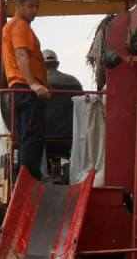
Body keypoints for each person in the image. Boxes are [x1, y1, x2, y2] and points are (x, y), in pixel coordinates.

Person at [1, 0, 49, 180]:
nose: (34, 11)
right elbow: (21, 55)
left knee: (25, 136)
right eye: (30, 6)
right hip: (25, 87)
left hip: (17, 88)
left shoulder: (9, 27)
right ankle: (29, 176)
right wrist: (33, 84)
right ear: (18, 6)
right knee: (32, 135)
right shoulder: (20, 26)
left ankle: (24, 174)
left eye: (36, 6)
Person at [43, 49, 83, 182]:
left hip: (41, 139)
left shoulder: (35, 84)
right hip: (70, 139)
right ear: (57, 63)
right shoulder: (74, 83)